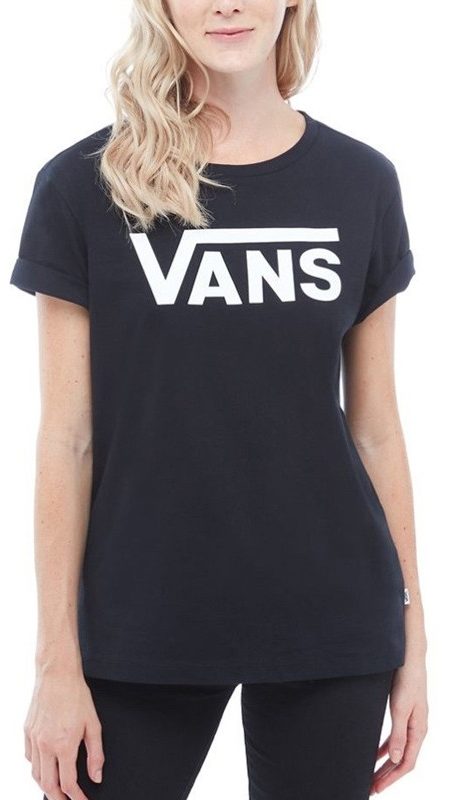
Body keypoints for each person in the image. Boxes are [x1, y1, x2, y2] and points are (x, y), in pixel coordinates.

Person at [9, 1, 428, 798]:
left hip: (332, 620)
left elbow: (377, 430)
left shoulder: (362, 182)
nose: (226, 4)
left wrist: (414, 640)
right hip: (141, 622)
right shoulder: (83, 185)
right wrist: (55, 661)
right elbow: (67, 437)